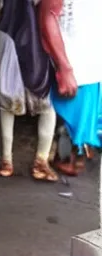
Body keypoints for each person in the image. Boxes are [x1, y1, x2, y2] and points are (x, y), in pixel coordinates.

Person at [0, 0, 58, 182]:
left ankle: (6, 161)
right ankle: (41, 162)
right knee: (47, 104)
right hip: (40, 42)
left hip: (9, 35)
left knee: (7, 102)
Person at [40, 0, 102, 176]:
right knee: (74, 123)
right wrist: (64, 68)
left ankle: (75, 156)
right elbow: (47, 17)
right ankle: (73, 157)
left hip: (91, 66)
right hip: (75, 65)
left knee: (83, 125)